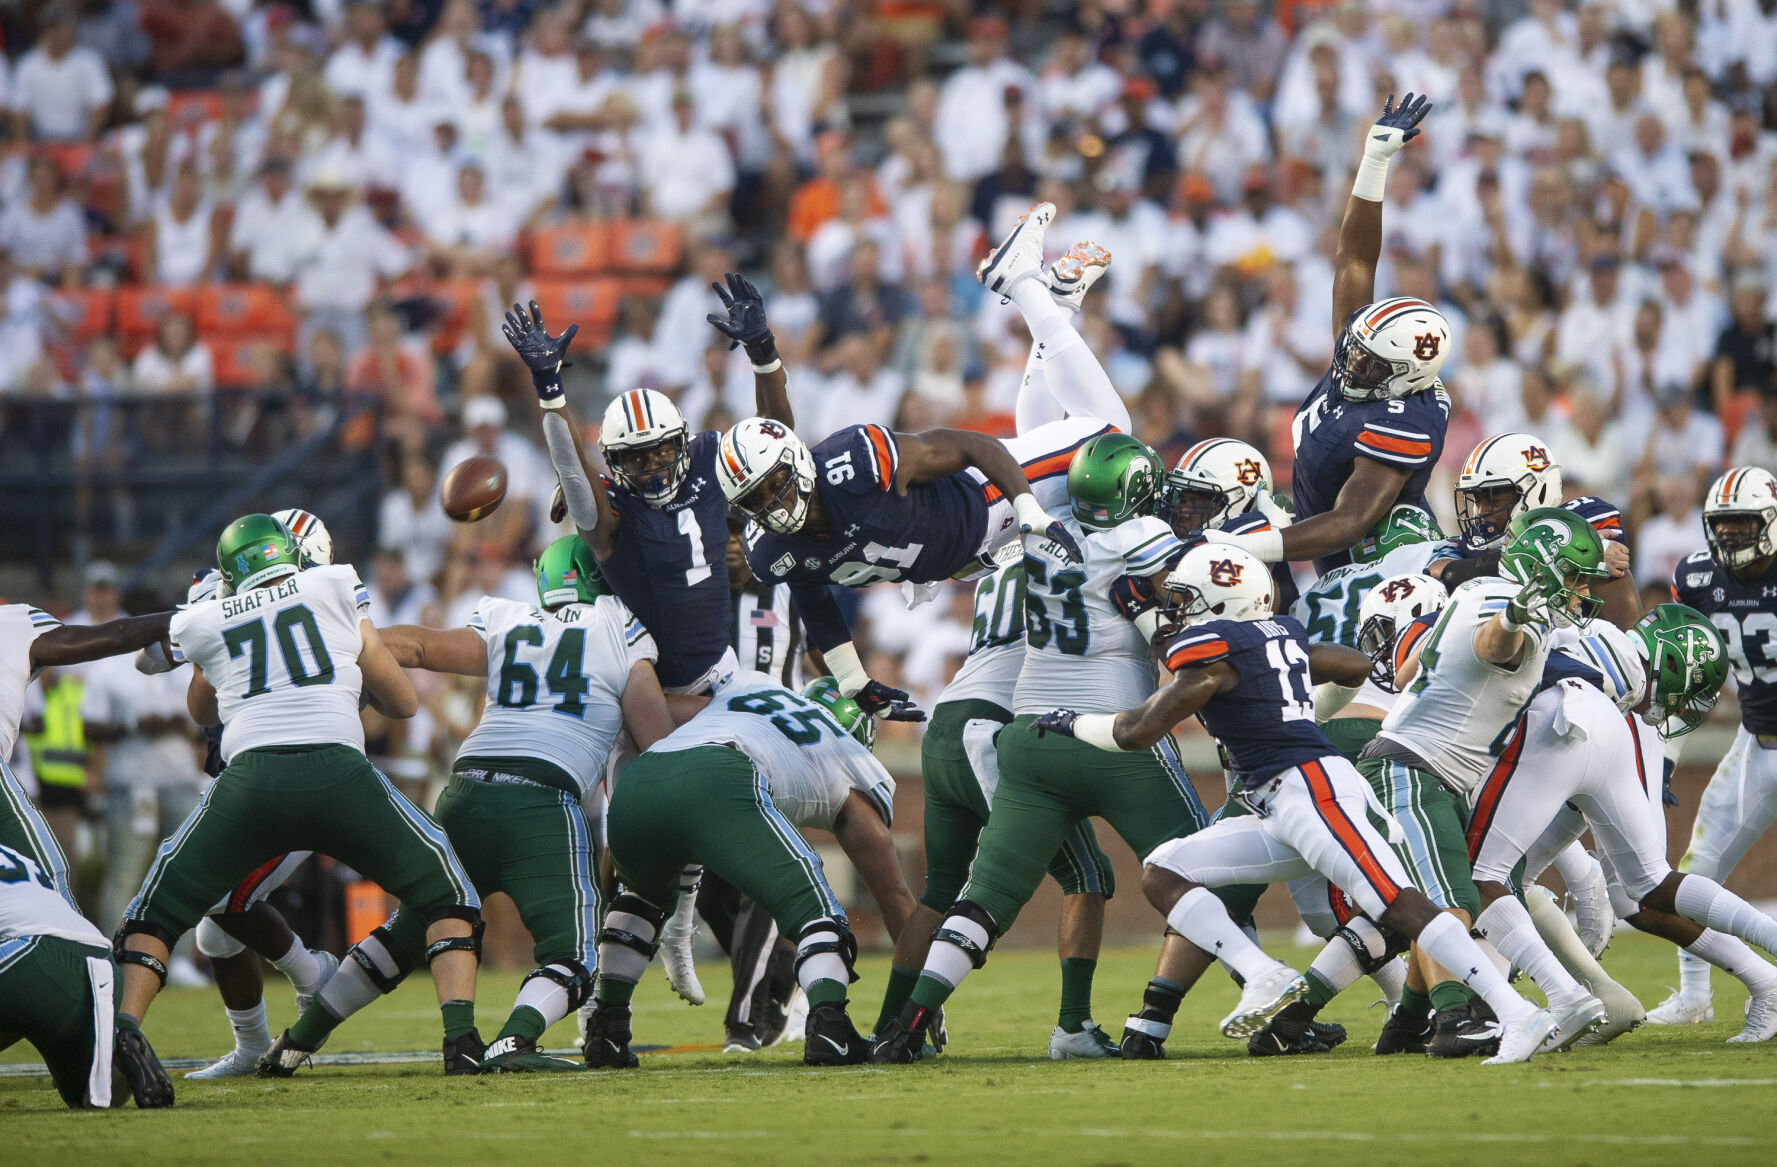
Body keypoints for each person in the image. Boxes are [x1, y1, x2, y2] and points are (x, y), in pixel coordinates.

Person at [1024, 542, 1559, 1066]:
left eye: (1188, 599)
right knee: (1164, 871)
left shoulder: (1216, 655)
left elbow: (1137, 731)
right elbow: (1352, 666)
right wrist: (1307, 711)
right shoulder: (1276, 638)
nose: (1179, 610)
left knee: (1399, 905)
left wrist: (1070, 722)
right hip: (1277, 801)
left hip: (1311, 789)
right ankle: (1261, 973)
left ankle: (1516, 1012)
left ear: (1219, 602)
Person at [868, 434, 1211, 1063]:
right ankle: (1093, 1024)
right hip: (1027, 726)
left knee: (956, 892)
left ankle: (897, 1027)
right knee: (1158, 868)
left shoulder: (1023, 541)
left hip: (974, 723)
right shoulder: (1126, 543)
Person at [274, 536, 675, 1073]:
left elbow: (415, 647)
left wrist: (331, 646)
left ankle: (297, 1041)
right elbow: (657, 740)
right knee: (573, 956)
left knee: (410, 932)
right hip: (541, 799)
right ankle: (515, 1038)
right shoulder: (621, 627)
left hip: (464, 795)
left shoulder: (510, 619)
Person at [111, 514, 486, 1076]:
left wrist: (200, 623)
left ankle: (124, 1034)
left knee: (154, 910)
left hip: (249, 783)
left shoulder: (210, 611)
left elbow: (195, 707)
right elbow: (404, 703)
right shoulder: (333, 586)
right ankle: (460, 1039)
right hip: (340, 773)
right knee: (449, 891)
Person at [508, 274, 795, 1006]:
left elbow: (775, 442)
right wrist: (550, 392)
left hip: (721, 679)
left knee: (753, 809)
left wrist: (763, 355)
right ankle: (595, 977)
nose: (653, 468)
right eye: (633, 460)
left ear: (678, 442)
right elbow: (573, 475)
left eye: (659, 452)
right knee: (628, 846)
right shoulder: (608, 511)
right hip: (644, 694)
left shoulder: (704, 458)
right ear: (616, 464)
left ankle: (691, 931)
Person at [716, 204, 1125, 719]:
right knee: (1047, 436)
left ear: (797, 463)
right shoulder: (771, 548)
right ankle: (1056, 304)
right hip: (960, 555)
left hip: (984, 498)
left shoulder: (853, 464)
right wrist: (853, 682)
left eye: (774, 485)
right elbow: (811, 591)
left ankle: (1021, 281)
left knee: (1112, 433)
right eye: (755, 499)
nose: (772, 505)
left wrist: (1028, 511)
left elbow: (975, 446)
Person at [1469, 604, 1777, 1045]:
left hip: (1574, 729)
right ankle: (1534, 1001)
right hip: (1582, 730)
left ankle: (1516, 1007)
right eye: (1683, 693)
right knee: (1634, 885)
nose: (1677, 707)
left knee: (1500, 879)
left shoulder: (1601, 649)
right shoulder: (1609, 655)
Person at [1366, 507, 1615, 1051]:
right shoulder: (1504, 605)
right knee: (1445, 908)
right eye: (1572, 577)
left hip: (1439, 769)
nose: (1579, 592)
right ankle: (1455, 1021)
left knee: (1458, 898)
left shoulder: (1478, 589)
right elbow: (1492, 646)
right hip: (1412, 765)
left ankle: (1405, 1024)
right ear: (1540, 570)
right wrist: (1515, 617)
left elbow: (1408, 673)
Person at [581, 672, 903, 1068]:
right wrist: (921, 999)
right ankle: (829, 1026)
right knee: (817, 910)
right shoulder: (852, 758)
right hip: (723, 775)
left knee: (640, 901)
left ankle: (607, 1027)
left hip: (641, 779)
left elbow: (658, 707)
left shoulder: (752, 684)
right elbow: (892, 891)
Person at [873, 556, 1121, 1059]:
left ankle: (887, 1027)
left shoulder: (1000, 561)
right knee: (1087, 876)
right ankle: (1073, 1027)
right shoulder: (1076, 550)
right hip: (989, 730)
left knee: (939, 891)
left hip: (945, 723)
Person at [1199, 94, 1453, 575]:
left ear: (1404, 379)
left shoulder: (1405, 423)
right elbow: (1356, 260)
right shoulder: (1372, 353)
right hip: (1334, 555)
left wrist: (1255, 546)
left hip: (1378, 574)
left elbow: (1350, 522)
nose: (1351, 363)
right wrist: (1374, 161)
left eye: (1369, 365)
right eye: (1358, 351)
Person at [1651, 467, 1777, 1027]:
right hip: (1755, 740)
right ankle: (1694, 997)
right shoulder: (1698, 577)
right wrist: (1665, 755)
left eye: (1741, 524)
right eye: (1720, 526)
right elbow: (1689, 673)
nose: (1728, 537)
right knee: (1695, 871)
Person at [2, 603, 174, 903]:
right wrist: (191, 617)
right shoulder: (13, 624)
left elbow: (117, 634)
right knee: (48, 880)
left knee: (47, 878)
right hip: (32, 781)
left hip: (49, 783)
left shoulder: (12, 625)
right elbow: (116, 635)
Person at [0, 842, 173, 1109]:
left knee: (29, 994)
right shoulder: (14, 854)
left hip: (37, 956)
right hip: (98, 963)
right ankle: (117, 1049)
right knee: (88, 1095)